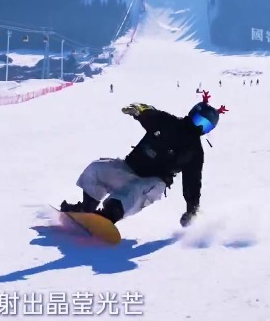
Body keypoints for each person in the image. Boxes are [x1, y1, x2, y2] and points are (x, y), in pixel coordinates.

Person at [59, 91, 228, 228]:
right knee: (97, 168)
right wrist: (138, 110)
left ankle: (107, 217)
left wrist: (192, 210)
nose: (199, 127)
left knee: (135, 189)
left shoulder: (195, 151)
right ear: (192, 114)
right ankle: (86, 209)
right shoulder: (168, 122)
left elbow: (192, 182)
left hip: (153, 183)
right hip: (129, 169)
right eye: (199, 120)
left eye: (205, 126)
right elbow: (149, 113)